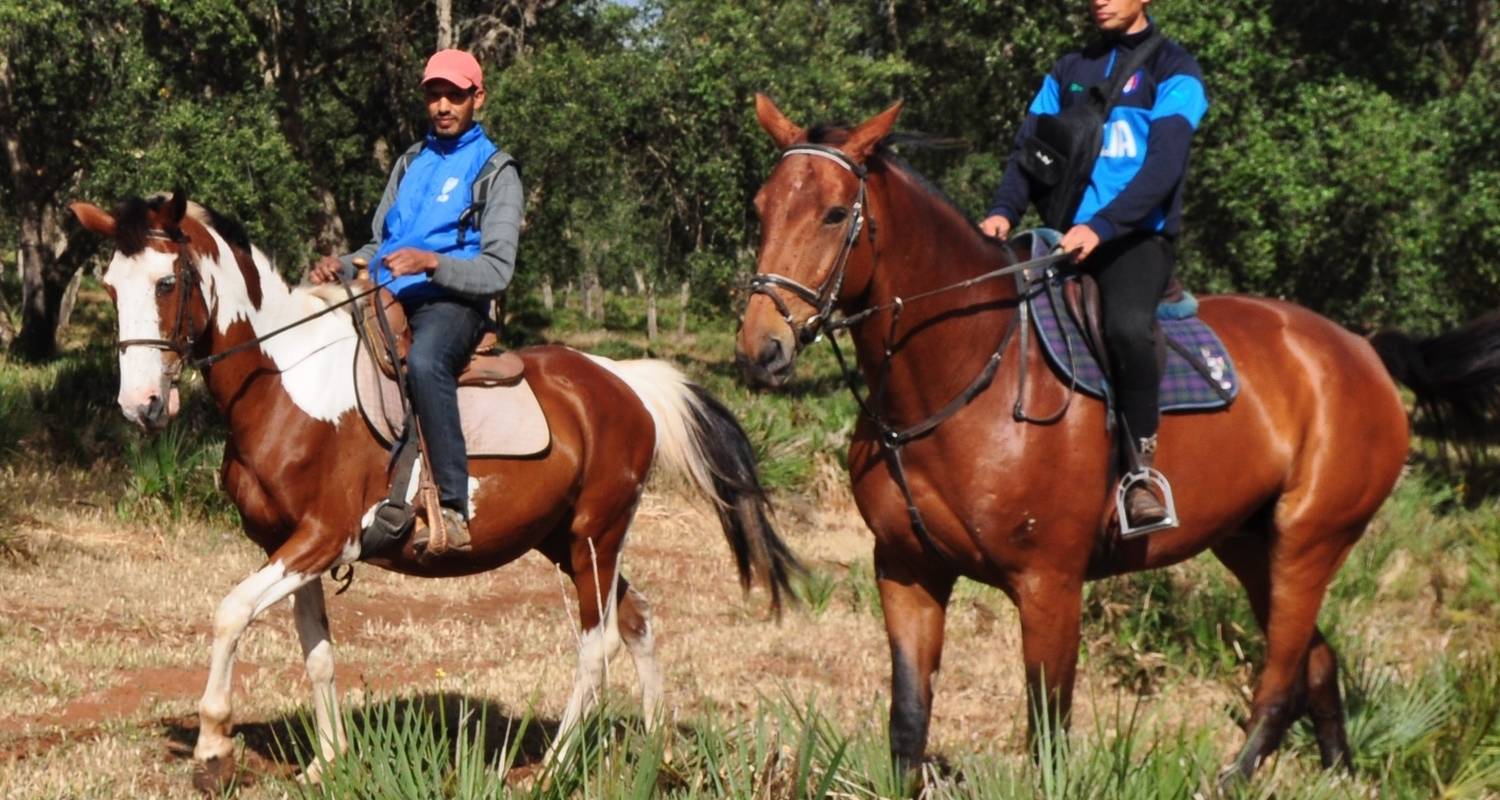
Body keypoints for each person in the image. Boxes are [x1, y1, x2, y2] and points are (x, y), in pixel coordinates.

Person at [979, 0, 1208, 529]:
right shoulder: (1067, 71)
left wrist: (1102, 227)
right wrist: (1001, 212)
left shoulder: (1175, 70)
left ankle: (1141, 475)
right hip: (1061, 239)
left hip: (1134, 240)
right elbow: (1028, 153)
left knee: (1127, 328)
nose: (1098, 0)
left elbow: (1164, 169)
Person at [310, 48, 523, 556]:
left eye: (455, 95)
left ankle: (451, 505)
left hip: (454, 304)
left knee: (426, 362)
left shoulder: (497, 171)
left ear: (478, 98)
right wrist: (340, 264)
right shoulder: (410, 162)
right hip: (387, 295)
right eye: (434, 95)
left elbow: (498, 269)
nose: (443, 105)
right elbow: (378, 246)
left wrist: (431, 264)